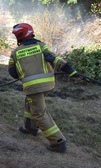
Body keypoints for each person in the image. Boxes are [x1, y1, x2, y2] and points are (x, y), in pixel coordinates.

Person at [8, 23, 78, 153]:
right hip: (48, 85)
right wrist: (69, 69)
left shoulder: (16, 52)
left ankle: (58, 141)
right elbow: (54, 59)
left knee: (39, 113)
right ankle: (30, 127)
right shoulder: (41, 46)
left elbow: (12, 72)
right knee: (31, 104)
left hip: (33, 87)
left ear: (19, 36)